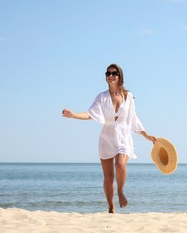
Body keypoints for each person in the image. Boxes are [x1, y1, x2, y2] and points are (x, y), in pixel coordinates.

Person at [62, 63, 156, 213]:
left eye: (114, 73)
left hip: (123, 136)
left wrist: (145, 135)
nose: (110, 76)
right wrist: (73, 115)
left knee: (120, 164)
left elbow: (133, 118)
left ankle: (120, 191)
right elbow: (89, 114)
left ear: (120, 76)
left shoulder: (128, 96)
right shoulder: (102, 97)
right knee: (108, 176)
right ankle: (111, 208)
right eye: (108, 73)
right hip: (107, 137)